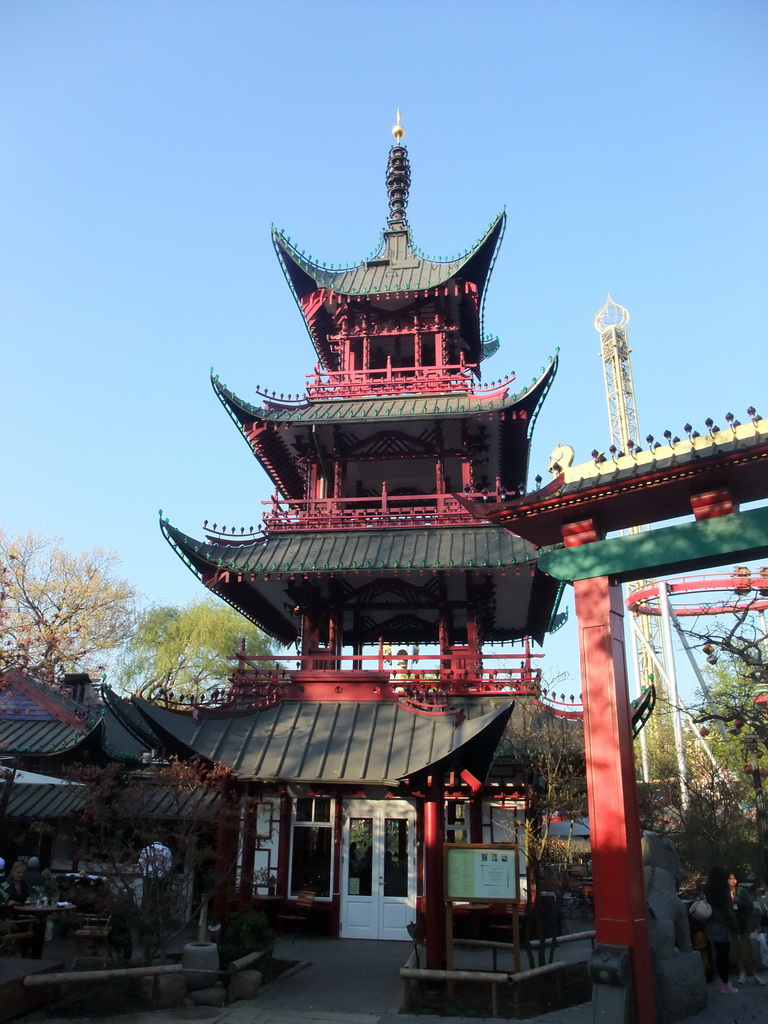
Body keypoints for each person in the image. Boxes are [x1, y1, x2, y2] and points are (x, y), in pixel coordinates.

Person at [703, 865, 740, 994]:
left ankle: (713, 977)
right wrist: (735, 926)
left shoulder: (706, 889)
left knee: (712, 953)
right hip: (722, 924)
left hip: (708, 922)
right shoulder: (724, 890)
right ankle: (725, 984)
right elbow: (729, 911)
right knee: (723, 955)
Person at [727, 869, 765, 985]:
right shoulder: (725, 893)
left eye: (734, 878)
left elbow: (749, 907)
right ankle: (741, 972)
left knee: (748, 950)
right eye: (730, 878)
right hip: (732, 924)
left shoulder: (742, 891)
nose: (732, 881)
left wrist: (739, 902)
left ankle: (755, 974)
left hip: (743, 924)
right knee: (737, 950)